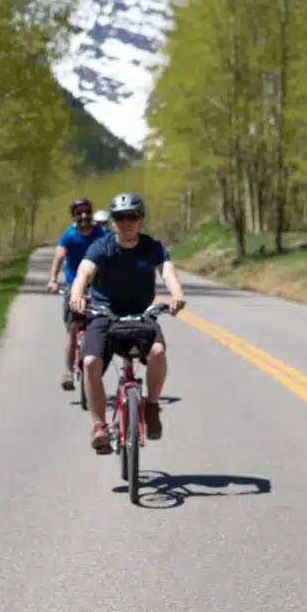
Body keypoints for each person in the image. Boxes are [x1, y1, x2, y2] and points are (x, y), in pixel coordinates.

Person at [69, 192, 186, 452]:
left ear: (141, 219)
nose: (126, 222)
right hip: (104, 314)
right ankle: (99, 426)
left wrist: (177, 294)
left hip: (142, 314)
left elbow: (167, 272)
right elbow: (84, 272)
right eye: (120, 217)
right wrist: (77, 295)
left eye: (132, 216)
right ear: (112, 222)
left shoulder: (152, 247)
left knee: (157, 352)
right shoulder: (102, 246)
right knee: (89, 362)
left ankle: (152, 406)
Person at [47, 198, 105, 390]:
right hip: (74, 288)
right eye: (79, 212)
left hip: (98, 287)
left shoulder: (101, 234)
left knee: (104, 327)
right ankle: (68, 371)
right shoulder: (69, 235)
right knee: (73, 328)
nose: (84, 216)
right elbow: (59, 257)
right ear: (73, 216)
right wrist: (53, 280)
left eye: (87, 211)